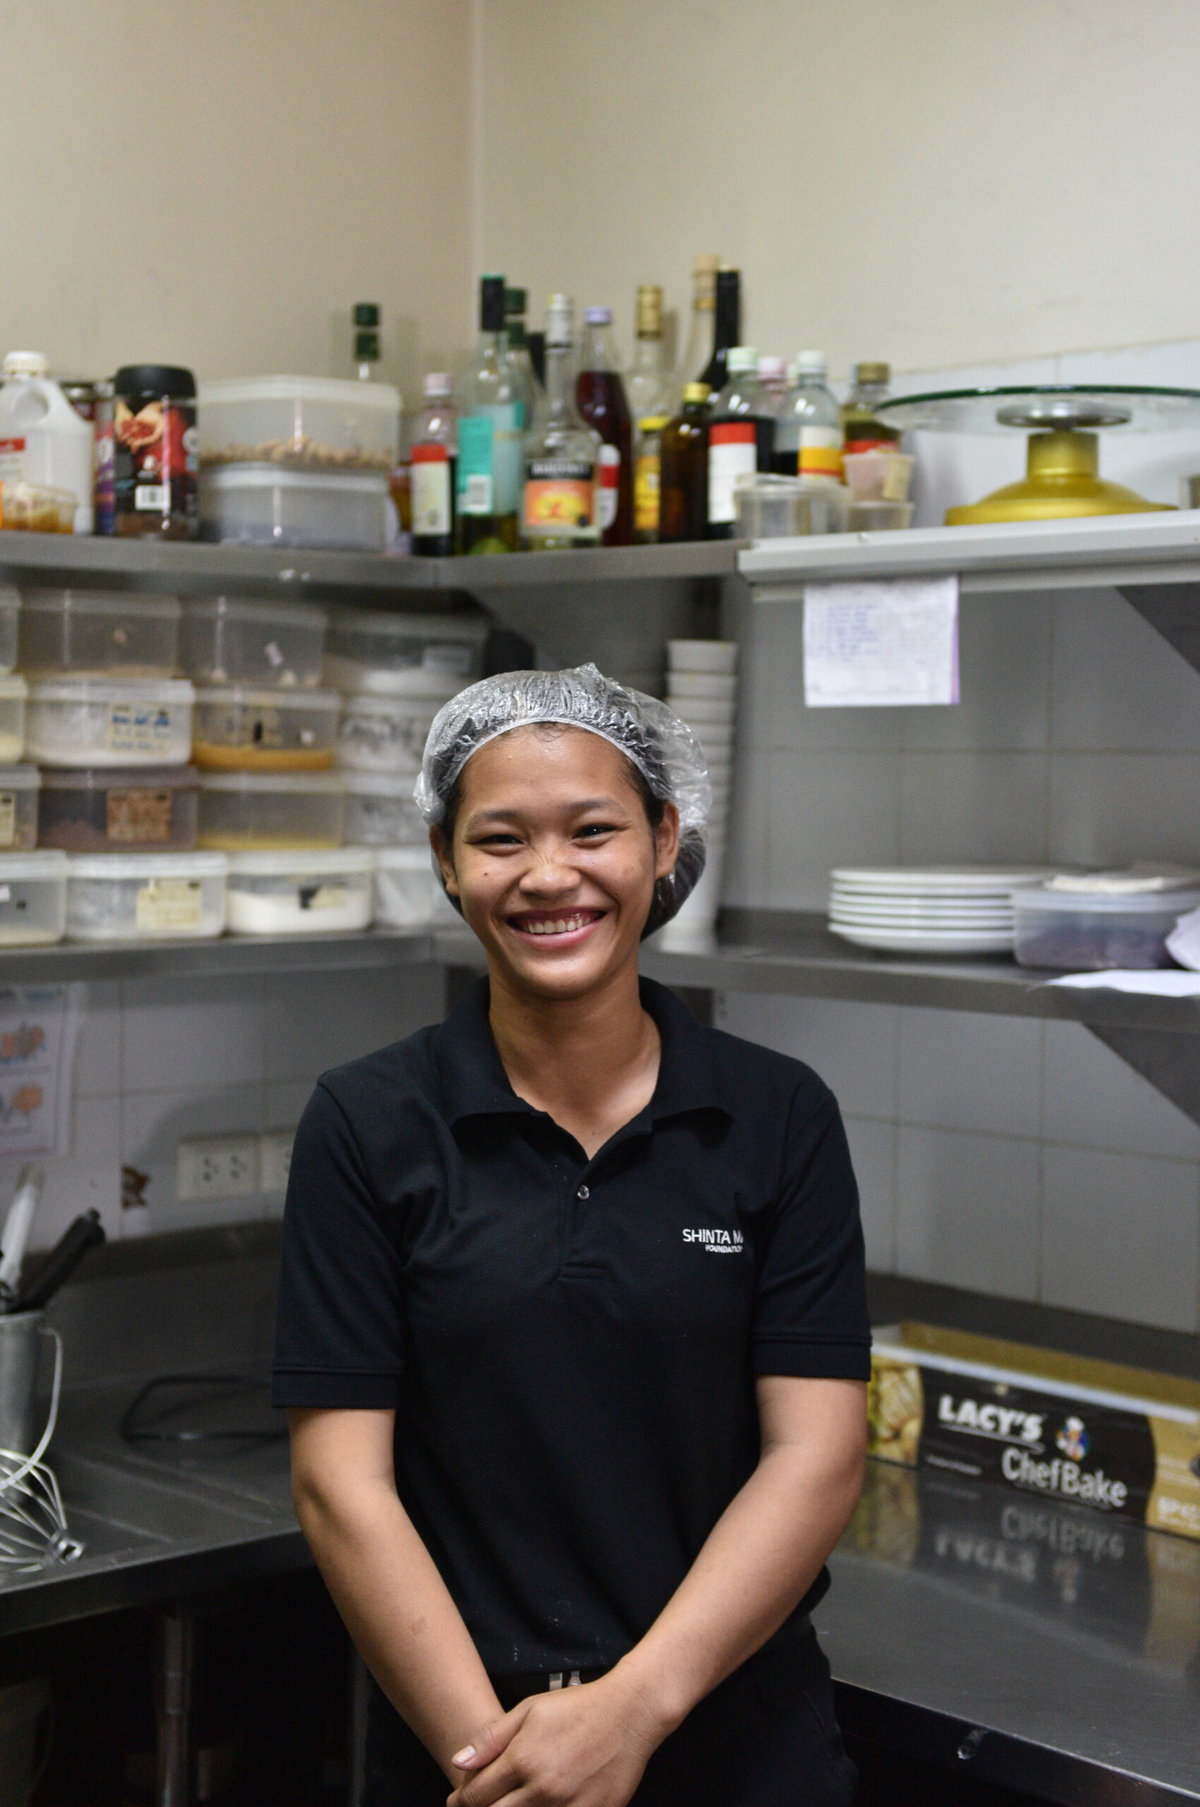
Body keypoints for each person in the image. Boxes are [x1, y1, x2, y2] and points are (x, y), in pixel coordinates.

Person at [272, 663, 871, 1807]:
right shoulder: (366, 1122)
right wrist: (507, 1774)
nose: (550, 875)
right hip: (470, 1751)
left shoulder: (779, 1114)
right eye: (500, 839)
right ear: (447, 860)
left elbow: (818, 1454)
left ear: (661, 841)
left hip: (738, 1737)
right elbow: (341, 1484)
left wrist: (633, 1709)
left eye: (592, 829)